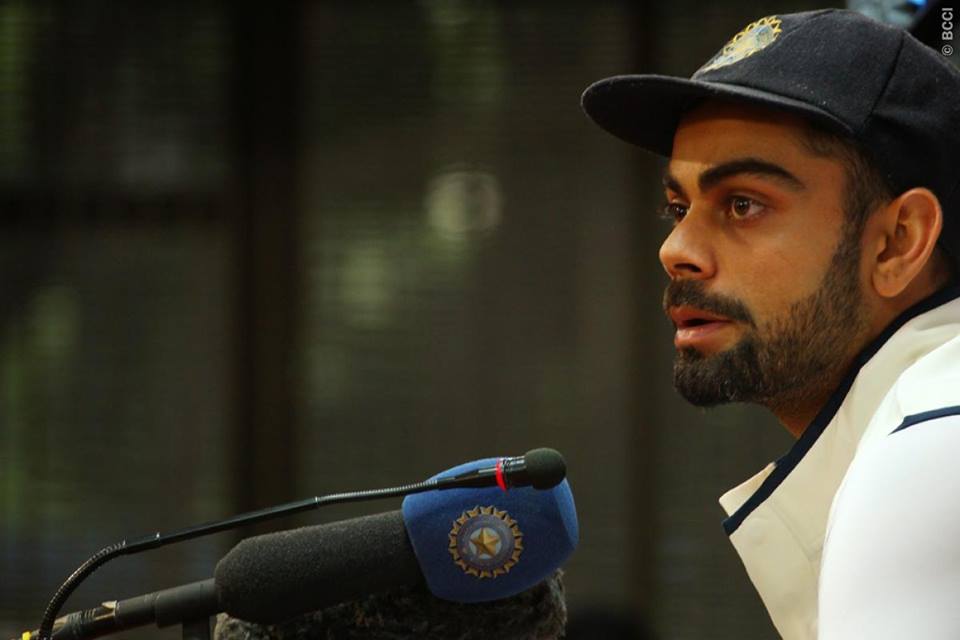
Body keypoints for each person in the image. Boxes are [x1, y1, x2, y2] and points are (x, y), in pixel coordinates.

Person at [582, 8, 960, 640]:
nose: (675, 249)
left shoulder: (927, 453)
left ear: (898, 241)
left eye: (743, 204)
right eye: (677, 207)